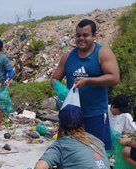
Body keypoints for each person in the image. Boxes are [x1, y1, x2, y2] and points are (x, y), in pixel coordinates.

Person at [51, 19, 120, 150]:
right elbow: (54, 78)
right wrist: (59, 88)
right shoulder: (68, 56)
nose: (81, 38)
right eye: (78, 35)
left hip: (95, 113)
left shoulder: (102, 53)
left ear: (94, 36)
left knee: (96, 150)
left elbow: (115, 77)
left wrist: (88, 80)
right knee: (70, 150)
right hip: (71, 115)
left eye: (85, 35)